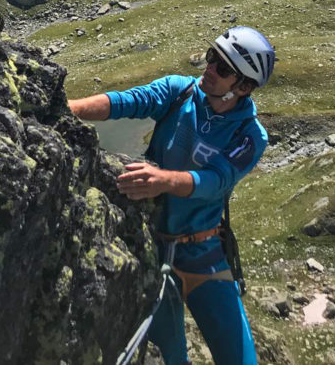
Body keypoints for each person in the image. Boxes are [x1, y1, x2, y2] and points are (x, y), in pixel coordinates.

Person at [69, 25, 274, 365]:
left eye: (222, 68)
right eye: (212, 58)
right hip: (154, 248)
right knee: (173, 359)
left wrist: (164, 180)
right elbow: (126, 102)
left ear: (244, 87)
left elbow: (216, 180)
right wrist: (69, 107)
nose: (209, 69)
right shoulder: (179, 92)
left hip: (203, 255)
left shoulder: (250, 135)